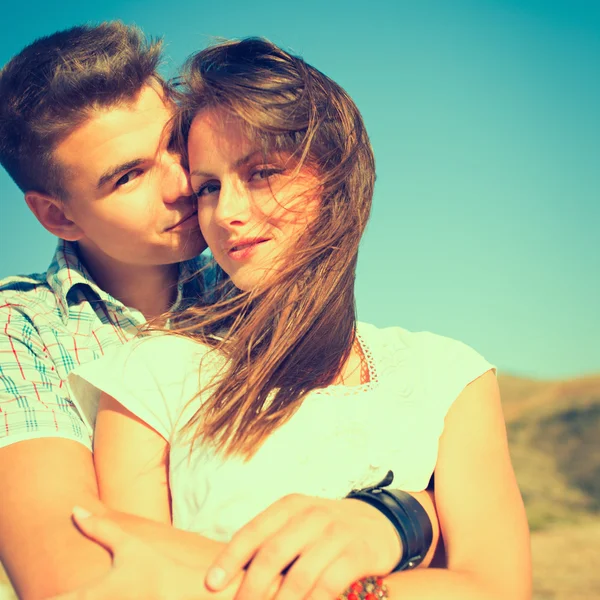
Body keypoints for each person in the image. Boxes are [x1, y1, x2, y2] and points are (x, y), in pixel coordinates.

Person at [63, 38, 532, 600]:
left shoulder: (448, 376)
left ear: (338, 176)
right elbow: (138, 577)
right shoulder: (148, 373)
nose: (227, 213)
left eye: (261, 172)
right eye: (209, 186)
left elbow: (499, 586)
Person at [0, 23, 439, 600]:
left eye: (175, 144)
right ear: (59, 217)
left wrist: (392, 517)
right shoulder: (23, 330)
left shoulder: (258, 273)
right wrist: (355, 584)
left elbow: (420, 480)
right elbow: (80, 576)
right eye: (129, 176)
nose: (183, 183)